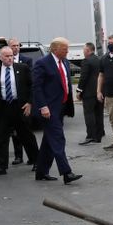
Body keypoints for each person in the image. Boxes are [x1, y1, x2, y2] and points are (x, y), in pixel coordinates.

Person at [33, 37, 82, 184]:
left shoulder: (65, 62)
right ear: (55, 49)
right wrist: (43, 106)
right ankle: (67, 172)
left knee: (49, 140)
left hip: (61, 107)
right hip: (48, 109)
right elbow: (37, 87)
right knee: (58, 138)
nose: (67, 51)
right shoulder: (42, 63)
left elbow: (65, 82)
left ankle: (41, 172)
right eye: (65, 48)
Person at [0, 46, 39, 176]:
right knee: (1, 138)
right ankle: (0, 167)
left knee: (26, 135)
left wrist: (30, 103)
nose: (10, 58)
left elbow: (32, 86)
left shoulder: (22, 68)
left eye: (11, 56)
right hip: (3, 108)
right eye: (7, 56)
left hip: (20, 107)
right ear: (0, 57)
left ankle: (37, 161)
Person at [8, 38, 34, 166]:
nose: (16, 48)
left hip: (23, 102)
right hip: (11, 102)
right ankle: (18, 156)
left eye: (17, 45)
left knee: (26, 131)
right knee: (15, 132)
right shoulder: (5, 61)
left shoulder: (27, 61)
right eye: (13, 45)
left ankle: (31, 156)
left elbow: (31, 82)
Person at [76, 42, 104, 145]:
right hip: (99, 91)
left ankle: (90, 135)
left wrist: (79, 91)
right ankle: (99, 134)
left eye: (84, 50)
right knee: (98, 113)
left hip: (89, 93)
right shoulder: (99, 60)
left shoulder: (86, 61)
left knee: (89, 114)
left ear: (88, 50)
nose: (83, 52)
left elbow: (83, 77)